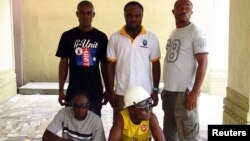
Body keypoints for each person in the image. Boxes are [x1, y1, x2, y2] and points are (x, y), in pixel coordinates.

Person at [161, 0, 208, 141]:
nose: (184, 10)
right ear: (173, 12)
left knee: (188, 135)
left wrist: (194, 92)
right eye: (180, 7)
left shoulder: (196, 32)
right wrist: (165, 89)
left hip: (184, 93)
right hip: (169, 92)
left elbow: (203, 62)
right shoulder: (174, 32)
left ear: (192, 12)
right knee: (170, 134)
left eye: (188, 8)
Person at [107, 1, 161, 119]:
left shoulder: (151, 37)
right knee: (120, 129)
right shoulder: (115, 37)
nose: (133, 19)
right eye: (130, 15)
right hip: (121, 94)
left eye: (137, 16)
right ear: (124, 16)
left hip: (145, 94)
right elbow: (110, 66)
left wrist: (155, 90)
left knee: (144, 130)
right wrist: (111, 91)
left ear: (142, 16)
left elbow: (156, 65)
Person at [55, 0, 109, 116]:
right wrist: (60, 90)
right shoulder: (67, 36)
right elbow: (63, 63)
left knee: (94, 127)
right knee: (72, 127)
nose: (85, 16)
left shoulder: (101, 37)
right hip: (74, 92)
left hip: (95, 92)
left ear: (93, 15)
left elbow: (105, 65)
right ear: (77, 14)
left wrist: (108, 90)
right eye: (82, 13)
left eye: (89, 13)